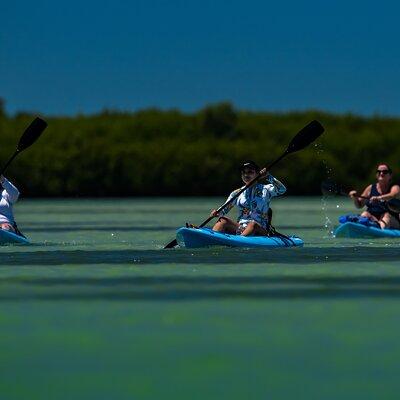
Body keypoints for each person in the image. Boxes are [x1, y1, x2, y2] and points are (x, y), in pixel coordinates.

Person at [210, 160, 286, 236]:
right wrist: (216, 213)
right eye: (244, 173)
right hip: (241, 228)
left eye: (250, 172)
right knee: (222, 220)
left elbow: (282, 190)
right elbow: (224, 210)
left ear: (257, 174)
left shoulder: (266, 189)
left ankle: (239, 242)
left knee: (252, 225)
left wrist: (269, 177)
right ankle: (212, 238)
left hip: (260, 229)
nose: (246, 175)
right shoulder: (236, 193)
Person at [349, 163, 400, 229]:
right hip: (374, 218)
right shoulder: (370, 188)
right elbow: (359, 205)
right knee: (365, 213)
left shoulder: (395, 187)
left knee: (386, 215)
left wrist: (379, 198)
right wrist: (355, 198)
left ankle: (380, 228)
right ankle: (364, 225)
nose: (381, 173)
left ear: (390, 175)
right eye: (379, 172)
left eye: (385, 172)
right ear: (376, 175)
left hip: (391, 220)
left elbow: (393, 194)